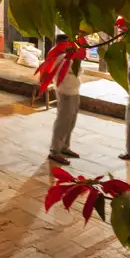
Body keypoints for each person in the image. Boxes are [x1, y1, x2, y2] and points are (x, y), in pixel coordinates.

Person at [48, 36, 81, 166]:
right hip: (65, 91)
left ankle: (64, 147)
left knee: (71, 121)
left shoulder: (69, 55)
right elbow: (75, 70)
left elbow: (78, 70)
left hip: (74, 91)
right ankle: (55, 151)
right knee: (63, 122)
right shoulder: (60, 56)